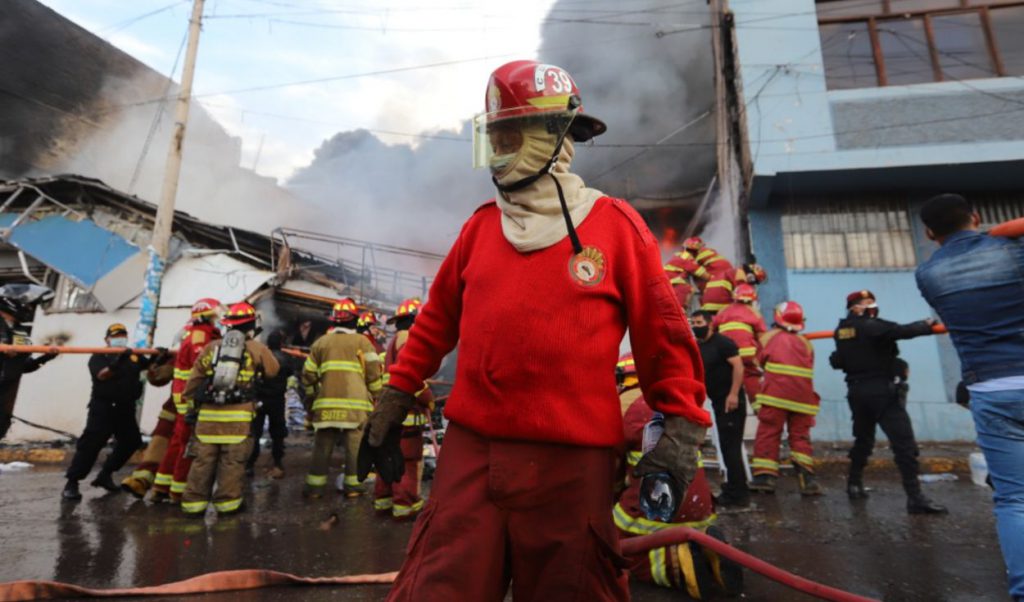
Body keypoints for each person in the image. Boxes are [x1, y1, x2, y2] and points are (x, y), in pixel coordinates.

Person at [359, 60, 708, 600]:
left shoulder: (616, 228)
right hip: (472, 456)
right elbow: (433, 325)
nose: (497, 153)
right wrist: (394, 397)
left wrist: (682, 430)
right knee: (437, 587)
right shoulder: (479, 228)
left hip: (573, 465)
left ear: (554, 137)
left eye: (508, 135)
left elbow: (663, 339)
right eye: (492, 137)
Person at [915, 193, 1024, 599]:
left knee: (1015, 500)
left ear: (929, 233)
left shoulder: (928, 275)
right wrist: (999, 232)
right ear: (975, 217)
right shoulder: (1011, 252)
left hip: (991, 390)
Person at [612, 351, 743, 597]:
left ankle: (682, 568)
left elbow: (612, 465)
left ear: (623, 377)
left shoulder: (623, 404)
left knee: (622, 550)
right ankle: (708, 550)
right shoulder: (679, 401)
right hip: (700, 507)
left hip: (658, 507)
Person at [830, 290, 947, 514]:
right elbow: (902, 331)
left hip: (857, 391)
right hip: (881, 391)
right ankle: (915, 497)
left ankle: (854, 484)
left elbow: (837, 361)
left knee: (863, 439)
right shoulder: (871, 326)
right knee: (904, 444)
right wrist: (926, 324)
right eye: (867, 303)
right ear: (855, 307)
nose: (873, 305)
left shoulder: (841, 331)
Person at [180, 302, 279, 516]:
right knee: (232, 463)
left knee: (202, 462)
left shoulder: (211, 348)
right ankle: (227, 505)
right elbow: (273, 371)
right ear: (252, 325)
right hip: (239, 420)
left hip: (207, 419)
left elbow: (193, 382)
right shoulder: (256, 348)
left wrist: (189, 410)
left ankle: (193, 505)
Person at [62, 324, 159, 500]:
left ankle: (105, 474)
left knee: (131, 441)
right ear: (107, 339)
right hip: (104, 407)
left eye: (123, 335)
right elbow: (102, 375)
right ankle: (72, 482)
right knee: (91, 443)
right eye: (116, 335)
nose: (120, 338)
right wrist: (118, 362)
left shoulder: (133, 356)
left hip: (125, 407)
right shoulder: (99, 356)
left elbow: (149, 365)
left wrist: (159, 356)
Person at [301, 298, 383, 498]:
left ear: (335, 321)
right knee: (355, 446)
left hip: (325, 405)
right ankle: (353, 488)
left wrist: (312, 397)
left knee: (322, 446)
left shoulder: (321, 342)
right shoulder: (362, 342)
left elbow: (308, 374)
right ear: (354, 321)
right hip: (354, 406)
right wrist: (376, 395)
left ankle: (314, 488)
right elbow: (373, 373)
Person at [152, 298, 223, 503]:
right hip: (190, 397)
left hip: (185, 395)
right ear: (206, 317)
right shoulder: (200, 336)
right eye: (215, 316)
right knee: (188, 445)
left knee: (178, 443)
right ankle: (178, 491)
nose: (218, 320)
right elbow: (203, 364)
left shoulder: (201, 333)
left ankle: (162, 487)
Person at [749, 302, 822, 496]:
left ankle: (765, 478)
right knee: (800, 437)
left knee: (769, 434)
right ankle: (808, 480)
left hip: (776, 398)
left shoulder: (768, 338)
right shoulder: (806, 343)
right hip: (804, 400)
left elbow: (756, 363)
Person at [373, 298, 432, 520]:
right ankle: (405, 506)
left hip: (387, 411)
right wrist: (428, 397)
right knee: (408, 462)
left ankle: (383, 502)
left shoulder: (393, 341)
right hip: (405, 416)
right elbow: (411, 376)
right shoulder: (409, 340)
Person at [691, 310, 749, 507]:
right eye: (693, 322)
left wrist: (733, 394)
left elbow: (738, 367)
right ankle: (734, 487)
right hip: (717, 401)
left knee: (731, 448)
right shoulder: (699, 346)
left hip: (731, 403)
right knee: (726, 447)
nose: (695, 325)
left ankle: (738, 495)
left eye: (699, 322)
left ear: (710, 324)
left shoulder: (723, 343)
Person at [0, 283, 58, 440]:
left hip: (4, 395)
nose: (31, 310)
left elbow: (24, 367)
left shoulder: (19, 331)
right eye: (29, 305)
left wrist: (46, 356)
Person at [120, 345, 176, 498]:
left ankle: (164, 488)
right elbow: (157, 378)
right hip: (174, 409)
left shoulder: (212, 350)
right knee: (158, 445)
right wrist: (157, 363)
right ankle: (141, 481)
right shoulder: (181, 353)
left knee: (183, 452)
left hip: (197, 412)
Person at [246, 330, 293, 479]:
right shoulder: (286, 358)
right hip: (277, 400)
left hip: (259, 399)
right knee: (278, 433)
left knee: (255, 432)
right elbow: (291, 373)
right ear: (281, 343)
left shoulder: (261, 356)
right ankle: (277, 462)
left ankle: (250, 465)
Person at [712, 284, 767, 403]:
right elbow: (763, 338)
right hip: (748, 354)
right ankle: (758, 407)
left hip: (726, 355)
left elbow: (713, 329)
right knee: (751, 376)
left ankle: (729, 404)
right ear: (752, 300)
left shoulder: (723, 311)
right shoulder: (754, 312)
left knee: (727, 377)